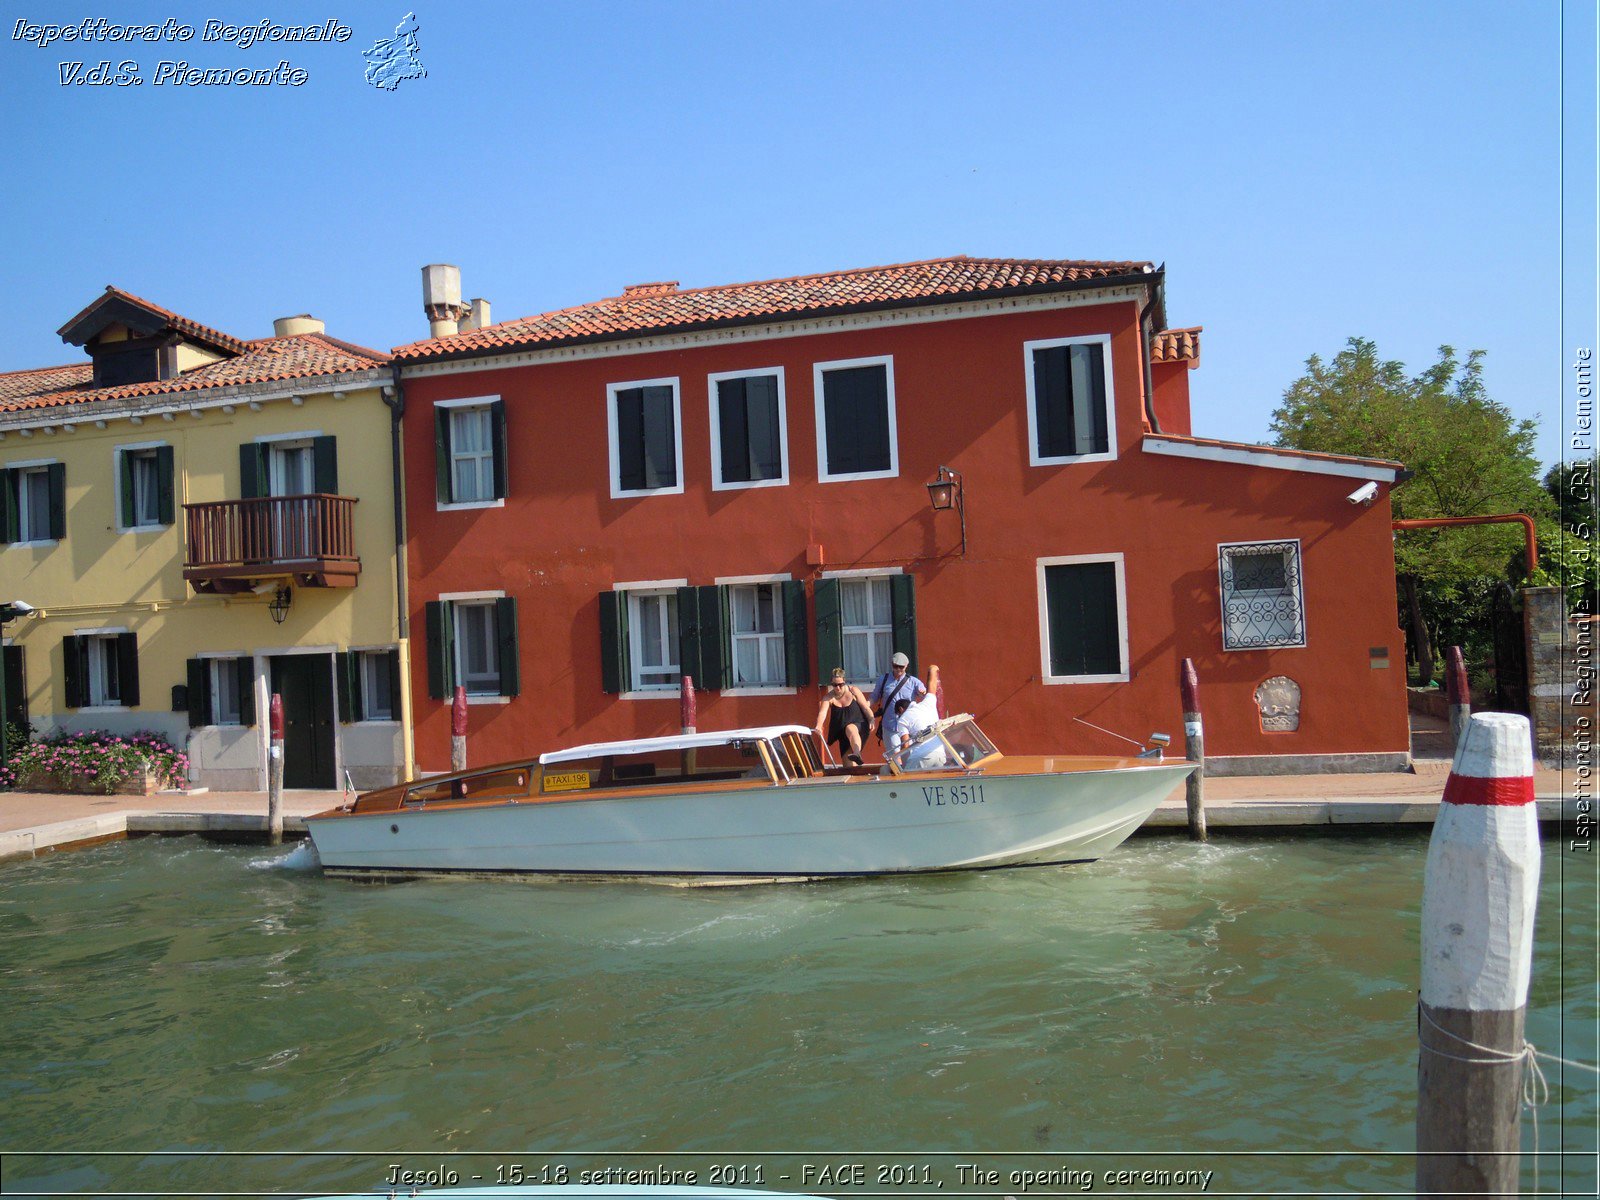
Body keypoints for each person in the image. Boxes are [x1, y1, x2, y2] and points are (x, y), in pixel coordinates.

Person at [814, 667, 874, 765]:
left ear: (844, 682)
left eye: (840, 685)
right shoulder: (829, 697)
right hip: (842, 733)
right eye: (834, 685)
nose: (837, 688)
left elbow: (865, 708)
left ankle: (857, 753)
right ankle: (855, 764)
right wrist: (819, 725)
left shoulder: (853, 691)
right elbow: (822, 713)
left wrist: (871, 719)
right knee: (848, 766)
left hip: (858, 725)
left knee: (850, 728)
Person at [870, 651, 927, 749]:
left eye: (901, 667)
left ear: (906, 666)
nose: (898, 669)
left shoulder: (913, 681)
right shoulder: (883, 679)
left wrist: (923, 693)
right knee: (894, 758)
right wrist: (865, 707)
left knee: (910, 756)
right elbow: (874, 697)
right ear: (892, 665)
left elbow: (924, 694)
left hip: (909, 726)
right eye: (896, 666)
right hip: (890, 725)